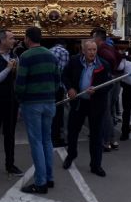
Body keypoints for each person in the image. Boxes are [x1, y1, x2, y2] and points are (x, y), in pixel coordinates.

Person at [15, 26, 61, 194]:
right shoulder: (51, 56)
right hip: (49, 102)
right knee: (47, 140)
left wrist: (20, 99)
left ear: (28, 38)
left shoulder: (26, 56)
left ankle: (40, 182)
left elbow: (20, 84)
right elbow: (58, 80)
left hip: (32, 103)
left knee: (36, 142)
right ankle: (49, 177)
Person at [62, 39, 112, 176]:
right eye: (89, 50)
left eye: (94, 50)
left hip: (96, 104)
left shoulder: (104, 65)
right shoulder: (74, 61)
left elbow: (109, 85)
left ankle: (96, 165)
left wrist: (97, 91)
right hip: (79, 102)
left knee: (96, 135)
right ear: (83, 51)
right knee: (72, 132)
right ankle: (71, 155)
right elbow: (64, 76)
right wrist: (70, 88)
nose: (92, 53)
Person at [0, 30, 23, 181]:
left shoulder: (14, 56)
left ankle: (10, 164)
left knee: (10, 134)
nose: (14, 40)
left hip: (11, 101)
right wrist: (8, 69)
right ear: (1, 41)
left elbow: (17, 79)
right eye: (11, 38)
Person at [91, 29, 120, 151]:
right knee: (110, 110)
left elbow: (111, 60)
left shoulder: (102, 50)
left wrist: (108, 71)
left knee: (105, 112)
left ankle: (108, 140)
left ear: (98, 39)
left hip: (107, 82)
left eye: (93, 38)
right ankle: (112, 139)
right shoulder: (109, 47)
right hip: (113, 80)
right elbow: (119, 56)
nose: (92, 41)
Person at [49, 38, 70, 148]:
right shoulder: (64, 52)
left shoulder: (49, 51)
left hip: (47, 87)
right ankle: (56, 138)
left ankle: (50, 136)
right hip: (58, 87)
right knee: (58, 114)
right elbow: (62, 71)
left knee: (50, 112)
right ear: (64, 45)